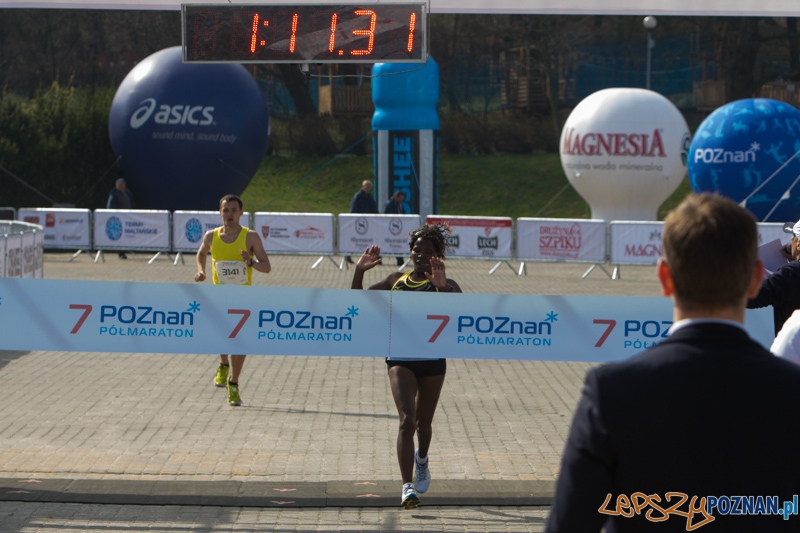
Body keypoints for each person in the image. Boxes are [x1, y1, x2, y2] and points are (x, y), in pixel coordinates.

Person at [546, 193, 800, 532]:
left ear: (665, 277)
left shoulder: (611, 392)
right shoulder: (790, 391)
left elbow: (570, 523)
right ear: (756, 278)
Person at [351, 223, 462, 510]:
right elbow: (357, 302)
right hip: (400, 358)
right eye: (417, 250)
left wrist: (443, 288)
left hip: (433, 360)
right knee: (406, 420)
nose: (422, 255)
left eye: (429, 251)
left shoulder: (447, 285)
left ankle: (421, 460)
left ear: (439, 255)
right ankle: (406, 486)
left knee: (424, 425)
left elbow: (463, 315)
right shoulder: (395, 280)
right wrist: (359, 271)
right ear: (410, 252)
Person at [194, 194, 271, 406]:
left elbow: (267, 267)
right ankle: (223, 363)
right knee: (221, 337)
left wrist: (251, 261)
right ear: (220, 213)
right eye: (226, 210)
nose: (229, 214)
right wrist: (201, 271)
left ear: (241, 213)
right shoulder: (211, 236)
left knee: (240, 341)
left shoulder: (251, 237)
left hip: (242, 298)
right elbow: (201, 254)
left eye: (234, 210)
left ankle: (234, 383)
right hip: (219, 297)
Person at [747, 217, 800, 335]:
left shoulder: (790, 274)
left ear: (798, 244)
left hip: (793, 351)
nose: (791, 239)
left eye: (793, 236)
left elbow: (750, 298)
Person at [345, 180, 379, 263]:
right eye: (367, 187)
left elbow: (374, 209)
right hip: (358, 223)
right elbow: (353, 209)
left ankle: (373, 256)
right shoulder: (357, 197)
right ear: (363, 187)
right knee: (354, 239)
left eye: (370, 188)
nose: (368, 189)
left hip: (369, 223)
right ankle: (347, 255)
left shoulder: (370, 197)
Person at [106, 177, 135, 259]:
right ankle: (121, 252)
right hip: (119, 219)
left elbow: (132, 203)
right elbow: (110, 207)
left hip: (128, 218)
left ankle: (126, 249)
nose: (121, 186)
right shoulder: (113, 195)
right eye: (119, 185)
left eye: (122, 184)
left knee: (127, 235)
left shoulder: (128, 192)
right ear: (116, 185)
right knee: (120, 236)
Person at [383, 191, 407, 266]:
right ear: (396, 197)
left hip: (398, 229)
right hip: (390, 228)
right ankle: (378, 258)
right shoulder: (389, 204)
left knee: (396, 244)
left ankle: (400, 260)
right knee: (387, 243)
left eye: (402, 200)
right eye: (400, 199)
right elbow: (385, 215)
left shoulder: (400, 205)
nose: (401, 201)